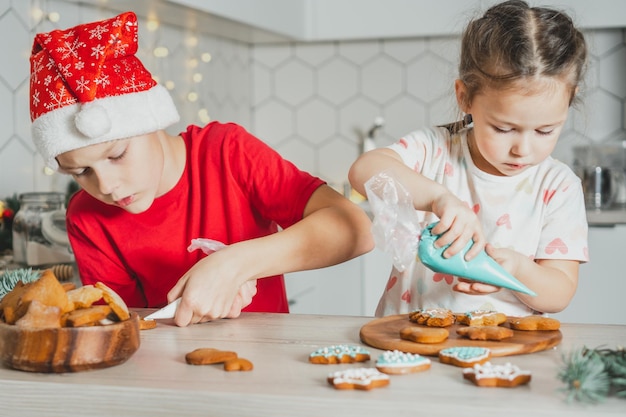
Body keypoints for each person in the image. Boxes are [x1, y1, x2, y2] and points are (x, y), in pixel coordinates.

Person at [29, 12, 374, 326]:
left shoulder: (226, 152)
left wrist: (235, 263)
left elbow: (355, 230)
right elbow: (124, 329)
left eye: (117, 155)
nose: (106, 185)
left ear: (152, 120)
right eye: (81, 172)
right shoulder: (87, 217)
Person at [349, 0, 589, 317]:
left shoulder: (558, 187)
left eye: (545, 131)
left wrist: (517, 268)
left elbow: (559, 293)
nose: (523, 149)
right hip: (408, 341)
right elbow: (363, 171)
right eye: (504, 128)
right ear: (465, 97)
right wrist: (438, 197)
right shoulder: (434, 149)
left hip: (502, 353)